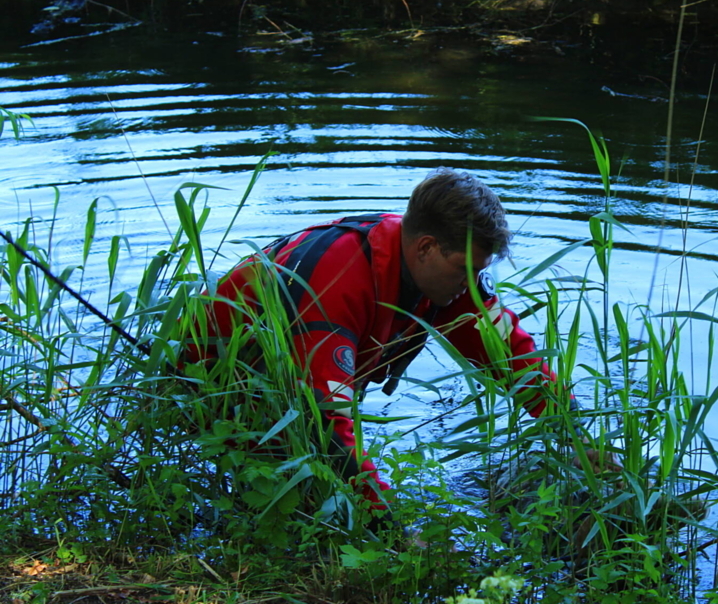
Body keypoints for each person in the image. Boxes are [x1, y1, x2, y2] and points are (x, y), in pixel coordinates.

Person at [186, 167, 587, 535]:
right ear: (427, 247)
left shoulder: (443, 275)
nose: (471, 284)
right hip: (215, 391)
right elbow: (326, 419)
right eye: (465, 270)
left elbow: (513, 359)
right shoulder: (337, 280)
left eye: (478, 273)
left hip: (288, 388)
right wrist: (393, 530)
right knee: (289, 504)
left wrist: (578, 439)